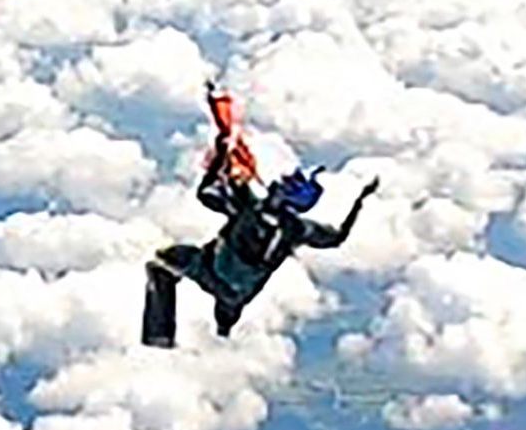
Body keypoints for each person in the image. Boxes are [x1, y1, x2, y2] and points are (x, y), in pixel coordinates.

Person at [143, 82, 376, 346]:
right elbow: (337, 238)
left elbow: (206, 193)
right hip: (239, 294)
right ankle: (223, 333)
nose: (280, 180)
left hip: (211, 269)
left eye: (287, 183)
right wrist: (360, 201)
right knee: (227, 309)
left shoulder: (251, 207)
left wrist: (221, 155)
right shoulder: (296, 229)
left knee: (161, 263)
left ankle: (159, 337)